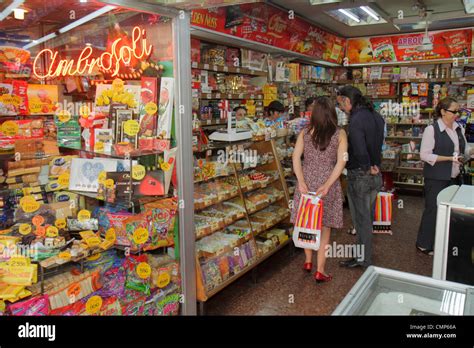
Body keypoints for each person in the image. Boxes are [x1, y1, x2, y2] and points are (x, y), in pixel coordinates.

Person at [291, 96, 348, 283]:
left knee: (306, 222)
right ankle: (320, 270)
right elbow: (342, 161)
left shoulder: (305, 133)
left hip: (306, 182)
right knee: (324, 229)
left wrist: (301, 182)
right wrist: (328, 184)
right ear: (332, 113)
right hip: (328, 185)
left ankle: (308, 260)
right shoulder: (340, 134)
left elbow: (295, 158)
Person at [336, 86, 384, 268]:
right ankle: (362, 255)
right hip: (375, 175)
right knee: (367, 219)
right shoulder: (376, 116)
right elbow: (378, 144)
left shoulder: (356, 120)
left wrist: (366, 166)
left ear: (348, 101)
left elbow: (359, 147)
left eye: (341, 103)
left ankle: (364, 259)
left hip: (361, 175)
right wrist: (374, 165)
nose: (340, 107)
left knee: (361, 220)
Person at [416, 97, 472, 255]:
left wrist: (470, 152)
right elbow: (424, 155)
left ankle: (442, 243)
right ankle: (424, 244)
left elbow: (464, 150)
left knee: (448, 212)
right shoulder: (432, 130)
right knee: (433, 210)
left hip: (453, 176)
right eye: (453, 111)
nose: (457, 114)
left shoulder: (458, 128)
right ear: (442, 111)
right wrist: (449, 158)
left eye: (458, 111)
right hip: (436, 177)